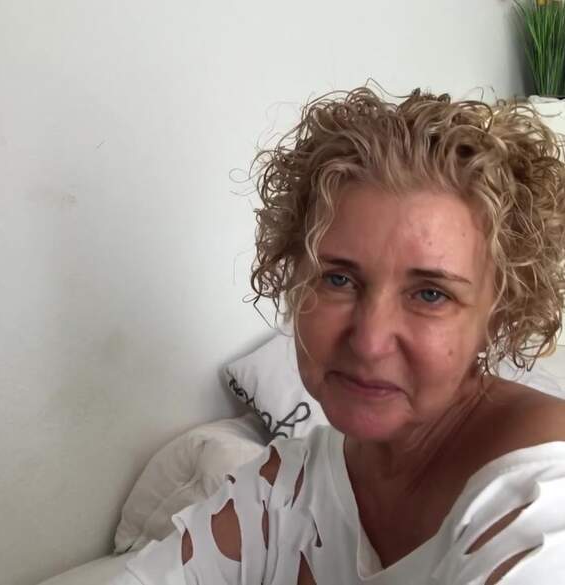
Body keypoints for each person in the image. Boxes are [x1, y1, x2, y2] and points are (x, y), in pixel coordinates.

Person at [109, 87, 565, 584]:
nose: (369, 341)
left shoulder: (545, 493)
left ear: (499, 315)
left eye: (431, 294)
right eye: (338, 279)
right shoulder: (287, 492)